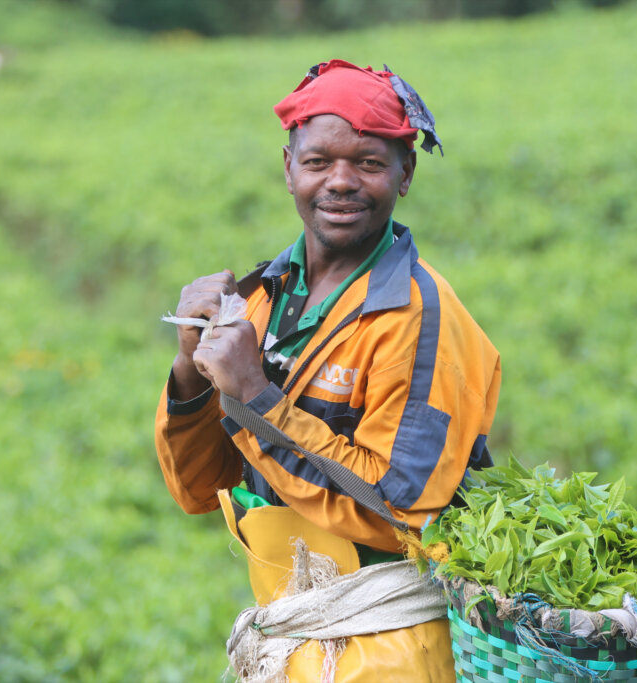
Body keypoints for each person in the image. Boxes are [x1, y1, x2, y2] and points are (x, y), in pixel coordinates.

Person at [154, 60, 501, 680]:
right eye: (318, 162)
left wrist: (256, 395)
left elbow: (399, 509)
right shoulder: (261, 300)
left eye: (368, 162)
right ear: (288, 169)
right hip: (290, 634)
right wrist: (189, 370)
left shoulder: (421, 321)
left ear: (405, 173)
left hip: (390, 646)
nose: (340, 181)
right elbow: (200, 487)